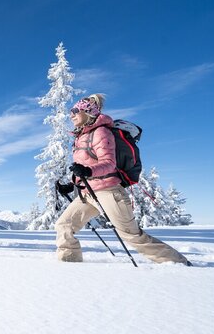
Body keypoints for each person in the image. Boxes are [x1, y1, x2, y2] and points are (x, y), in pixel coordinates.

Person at [55, 94, 190, 265]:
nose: (71, 114)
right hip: (88, 193)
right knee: (64, 225)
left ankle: (179, 263)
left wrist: (87, 171)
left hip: (109, 192)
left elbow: (108, 163)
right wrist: (71, 184)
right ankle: (69, 265)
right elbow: (85, 165)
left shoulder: (101, 132)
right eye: (70, 111)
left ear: (88, 113)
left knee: (132, 235)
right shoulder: (81, 136)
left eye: (75, 111)